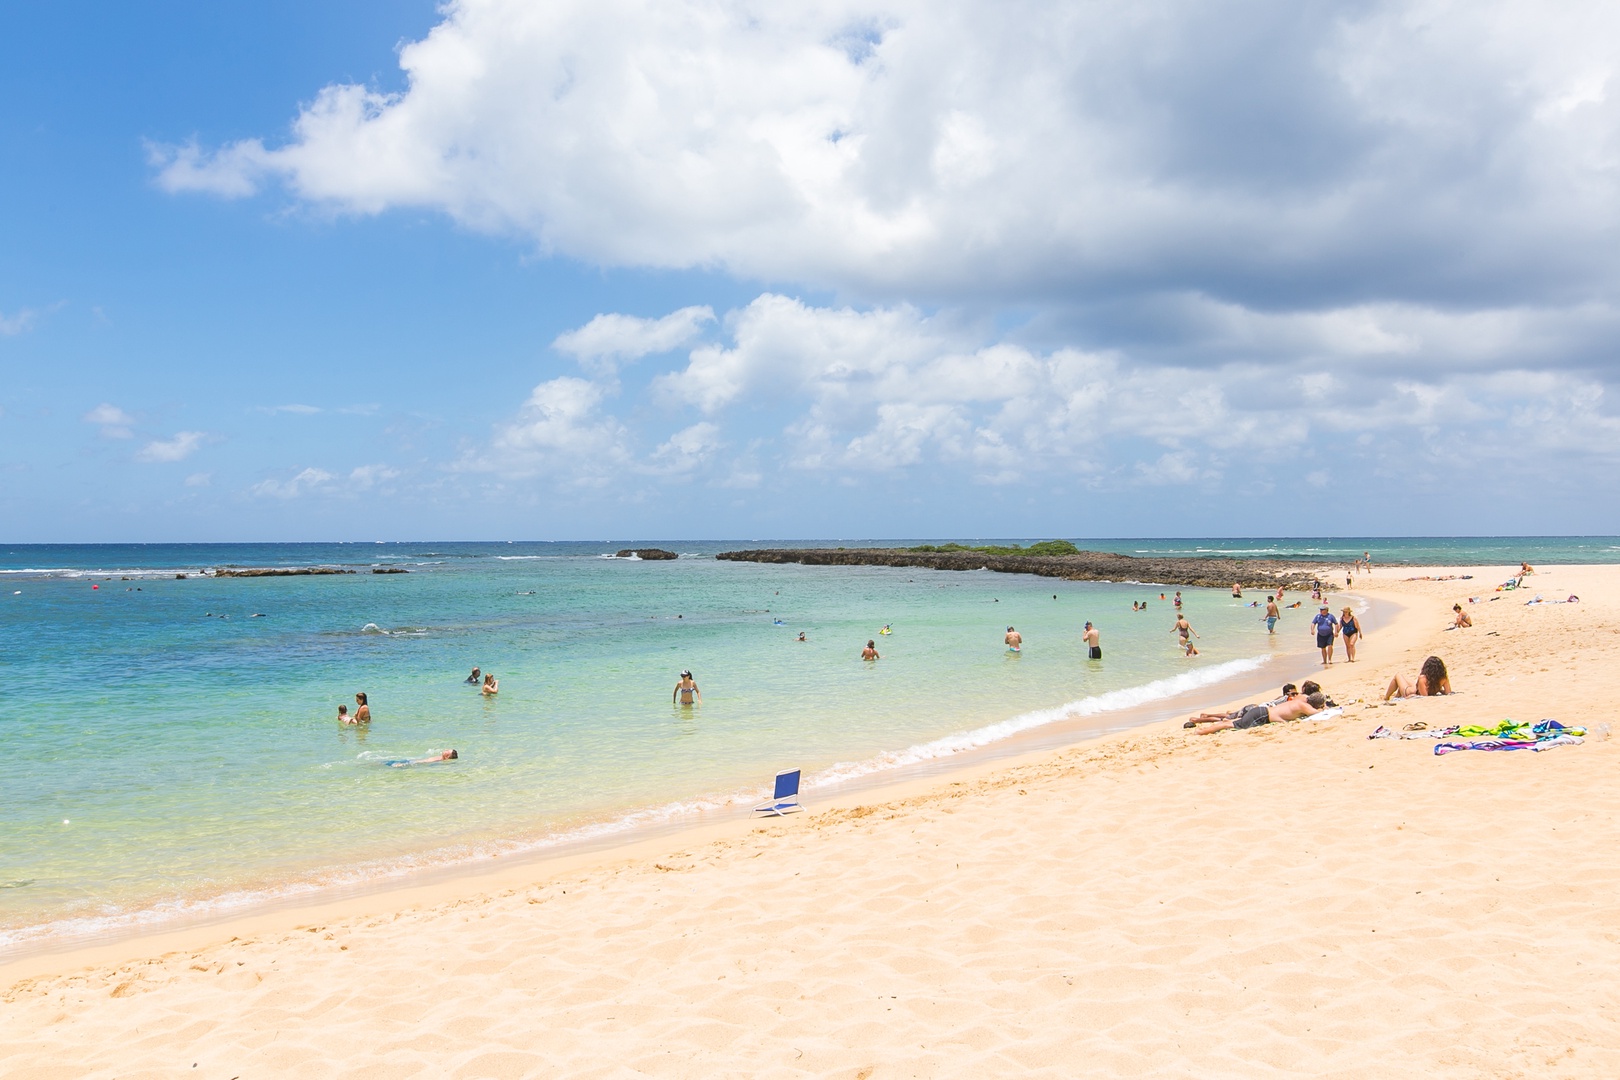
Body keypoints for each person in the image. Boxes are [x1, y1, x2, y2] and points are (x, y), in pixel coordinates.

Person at [1189, 691, 1326, 734]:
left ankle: (1206, 728)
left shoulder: (1298, 701)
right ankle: (1201, 731)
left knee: (1232, 722)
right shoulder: (1303, 706)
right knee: (1230, 725)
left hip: (1261, 711)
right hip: (1262, 715)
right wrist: (1323, 709)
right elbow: (1316, 714)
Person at [1384, 655, 1452, 700]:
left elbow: (1424, 697)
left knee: (1398, 675)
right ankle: (1397, 695)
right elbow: (1448, 692)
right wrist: (1438, 689)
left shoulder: (1423, 679)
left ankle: (1386, 697)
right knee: (1409, 681)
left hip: (1408, 692)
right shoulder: (1443, 678)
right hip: (1417, 688)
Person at [390, 749, 458, 767]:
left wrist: (405, 765)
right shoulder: (440, 757)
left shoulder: (440, 760)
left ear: (448, 756)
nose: (445, 750)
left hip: (410, 763)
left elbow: (425, 763)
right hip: (410, 761)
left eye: (447, 751)